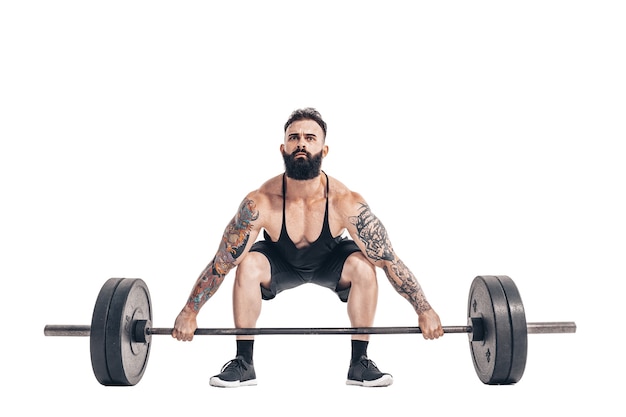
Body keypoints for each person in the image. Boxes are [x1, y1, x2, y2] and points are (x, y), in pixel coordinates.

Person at [172, 107, 444, 387]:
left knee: (365, 266)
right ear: (283, 148)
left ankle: (359, 363)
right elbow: (222, 263)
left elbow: (388, 260)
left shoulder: (345, 202)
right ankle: (244, 363)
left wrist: (423, 309)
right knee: (248, 263)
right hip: (280, 263)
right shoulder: (261, 201)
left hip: (330, 263)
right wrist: (189, 312)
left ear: (324, 150)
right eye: (294, 137)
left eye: (310, 137)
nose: (301, 142)